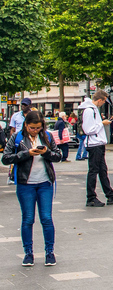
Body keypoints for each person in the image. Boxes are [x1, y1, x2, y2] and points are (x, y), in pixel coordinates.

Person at [2, 110, 62, 266]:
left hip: (45, 183)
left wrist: (46, 152)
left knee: (46, 218)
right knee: (28, 219)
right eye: (32, 128)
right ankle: (28, 253)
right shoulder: (17, 138)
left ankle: (50, 252)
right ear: (26, 125)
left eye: (38, 128)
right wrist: (26, 153)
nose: (35, 131)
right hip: (25, 184)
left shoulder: (47, 136)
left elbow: (58, 155)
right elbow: (5, 158)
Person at [78, 90, 113, 207]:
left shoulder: (93, 110)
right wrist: (102, 124)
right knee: (94, 171)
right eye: (103, 101)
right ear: (100, 100)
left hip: (98, 143)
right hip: (94, 144)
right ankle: (91, 197)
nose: (103, 104)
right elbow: (88, 129)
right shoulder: (89, 111)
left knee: (102, 170)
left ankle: (110, 195)